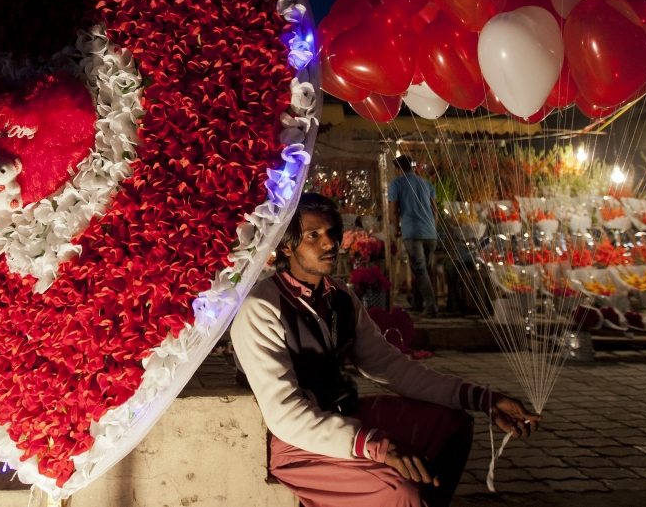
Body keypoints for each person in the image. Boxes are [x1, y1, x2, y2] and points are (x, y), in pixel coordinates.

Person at [231, 193, 539, 507]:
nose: (329, 243)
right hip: (298, 445)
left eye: (332, 233)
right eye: (313, 235)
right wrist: (378, 445)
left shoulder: (340, 297)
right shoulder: (262, 307)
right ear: (286, 246)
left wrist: (483, 398)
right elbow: (285, 415)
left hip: (346, 416)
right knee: (399, 491)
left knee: (452, 425)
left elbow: (391, 367)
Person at [388, 156, 438, 316]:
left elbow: (393, 210)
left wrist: (396, 228)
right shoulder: (426, 183)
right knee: (423, 270)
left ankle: (431, 306)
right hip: (430, 233)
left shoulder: (396, 184)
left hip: (413, 231)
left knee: (420, 269)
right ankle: (417, 302)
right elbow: (435, 210)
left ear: (398, 169)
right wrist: (432, 227)